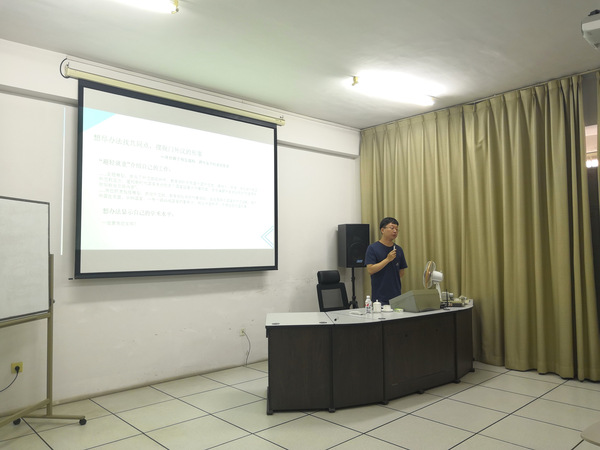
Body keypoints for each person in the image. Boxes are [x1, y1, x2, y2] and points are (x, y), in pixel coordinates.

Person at [365, 217, 408, 306]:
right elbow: (370, 270)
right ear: (382, 230)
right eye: (392, 228)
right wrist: (387, 259)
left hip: (396, 296)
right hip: (379, 297)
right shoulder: (373, 248)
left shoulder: (398, 249)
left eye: (397, 229)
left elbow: (401, 272)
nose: (395, 231)